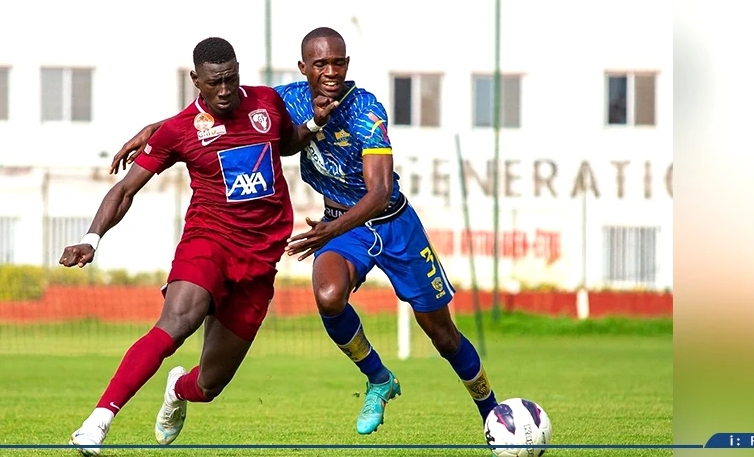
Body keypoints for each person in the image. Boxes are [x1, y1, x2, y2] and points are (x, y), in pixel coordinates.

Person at [110, 27, 499, 436]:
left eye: (339, 62)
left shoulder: (367, 111)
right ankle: (379, 379)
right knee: (329, 296)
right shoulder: (288, 99)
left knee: (441, 333)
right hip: (341, 226)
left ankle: (491, 413)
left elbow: (380, 191)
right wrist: (154, 129)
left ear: (347, 65)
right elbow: (219, 106)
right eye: (321, 64)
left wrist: (329, 229)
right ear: (303, 68)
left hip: (394, 223)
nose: (331, 71)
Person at [63, 37, 321, 455]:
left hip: (260, 259)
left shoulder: (267, 102)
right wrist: (92, 239)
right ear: (195, 80)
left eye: (232, 79)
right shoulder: (178, 131)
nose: (225, 91)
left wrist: (311, 126)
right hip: (209, 241)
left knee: (209, 384)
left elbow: (284, 139)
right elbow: (126, 189)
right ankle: (97, 421)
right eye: (215, 82)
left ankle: (177, 392)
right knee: (178, 322)